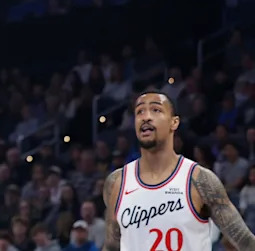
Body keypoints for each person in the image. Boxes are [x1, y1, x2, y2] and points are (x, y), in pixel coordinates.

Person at [102, 90, 255, 251]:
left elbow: (244, 241)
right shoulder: (116, 182)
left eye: (156, 110)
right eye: (139, 111)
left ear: (174, 123)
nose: (146, 117)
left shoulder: (199, 180)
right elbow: (112, 246)